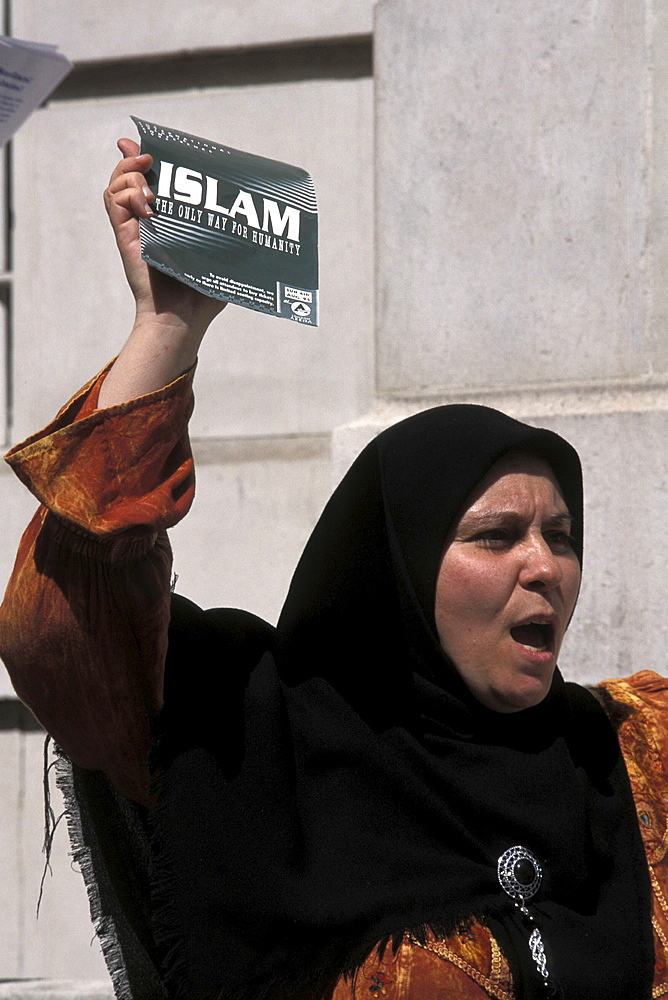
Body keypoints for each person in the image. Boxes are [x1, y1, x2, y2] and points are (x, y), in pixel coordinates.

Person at [0, 140, 666, 1000]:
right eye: (496, 537)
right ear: (395, 570)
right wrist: (167, 326)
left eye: (562, 536)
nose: (546, 567)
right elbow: (65, 625)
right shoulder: (256, 736)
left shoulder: (629, 754)